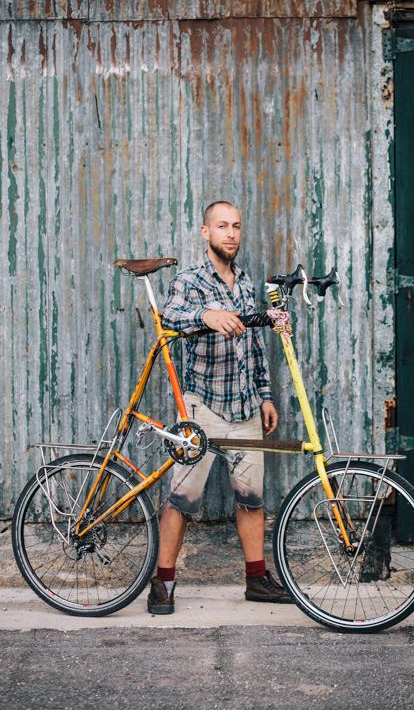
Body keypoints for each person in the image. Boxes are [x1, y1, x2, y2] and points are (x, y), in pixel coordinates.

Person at [146, 201, 292, 614]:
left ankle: (256, 579)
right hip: (203, 406)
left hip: (245, 406)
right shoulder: (190, 280)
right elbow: (169, 316)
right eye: (222, 226)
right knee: (182, 500)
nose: (231, 233)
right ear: (205, 233)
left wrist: (264, 394)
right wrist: (206, 314)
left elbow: (256, 343)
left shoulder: (246, 284)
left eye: (237, 227)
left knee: (251, 499)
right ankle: (163, 582)